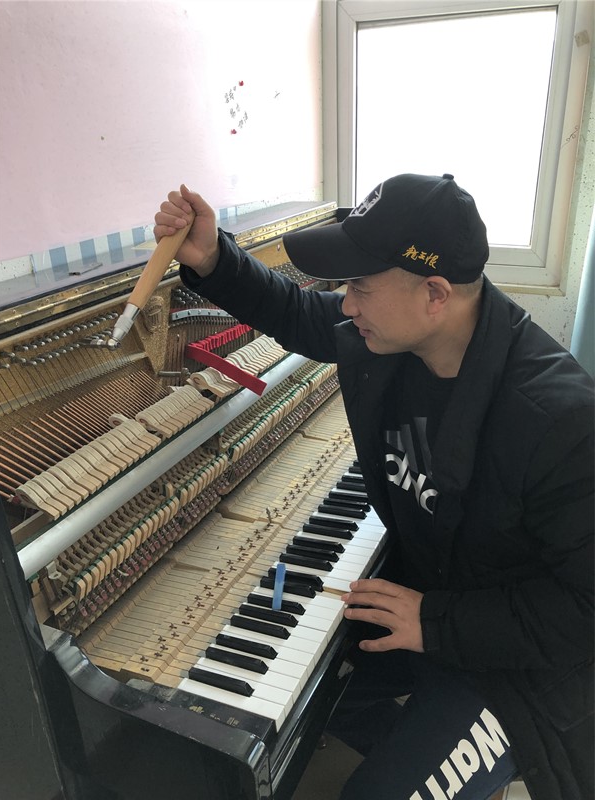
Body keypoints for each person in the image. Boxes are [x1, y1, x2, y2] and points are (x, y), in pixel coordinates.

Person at [154, 174, 594, 800]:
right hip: (436, 596)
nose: (346, 305)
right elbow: (300, 313)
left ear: (434, 294)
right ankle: (414, 748)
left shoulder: (559, 422)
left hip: (520, 672)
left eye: (360, 286)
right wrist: (214, 259)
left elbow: (586, 611)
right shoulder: (393, 338)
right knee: (273, 700)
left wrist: (434, 622)